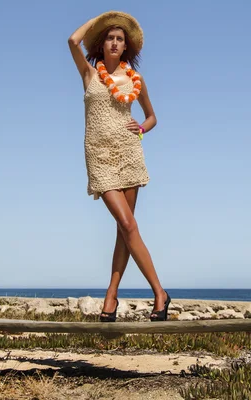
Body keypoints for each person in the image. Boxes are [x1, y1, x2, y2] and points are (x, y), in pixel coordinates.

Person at [67, 11, 170, 322]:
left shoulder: (134, 80)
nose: (114, 42)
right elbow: (73, 40)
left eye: (120, 39)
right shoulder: (89, 73)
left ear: (126, 47)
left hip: (128, 155)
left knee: (125, 229)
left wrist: (140, 129)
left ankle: (112, 295)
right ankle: (160, 292)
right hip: (99, 157)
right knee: (127, 226)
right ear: (103, 43)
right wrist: (103, 17)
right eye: (110, 37)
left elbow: (152, 117)